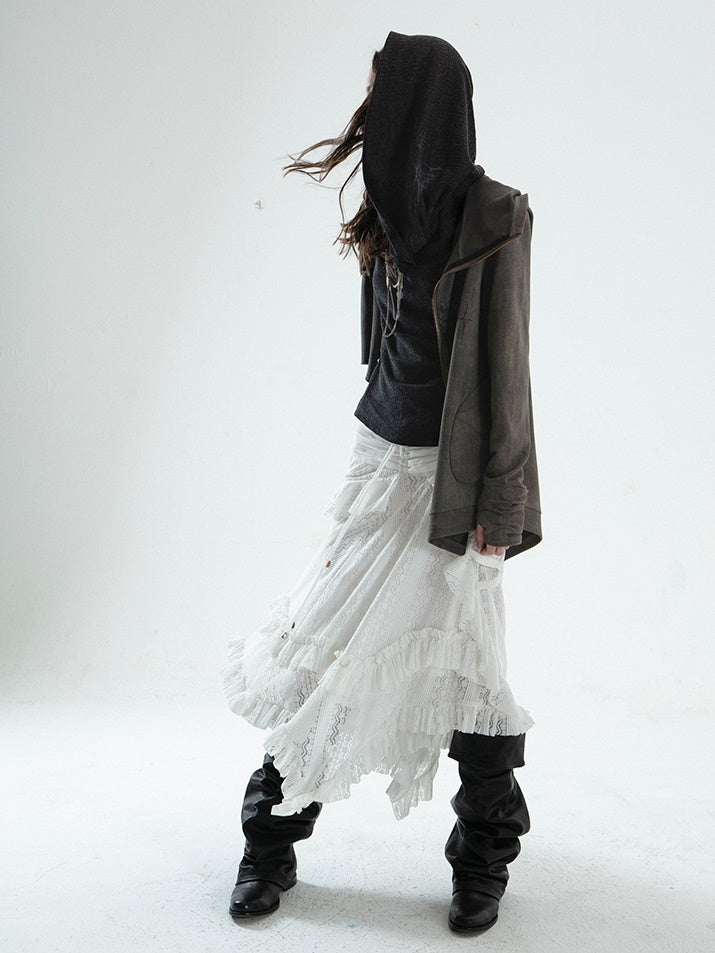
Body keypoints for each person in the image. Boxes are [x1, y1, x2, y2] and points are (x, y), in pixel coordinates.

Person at [222, 30, 543, 936]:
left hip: (453, 476)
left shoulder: (498, 213)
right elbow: (382, 340)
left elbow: (508, 367)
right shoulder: (384, 205)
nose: (368, 108)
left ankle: (482, 861)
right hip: (378, 460)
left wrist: (501, 498)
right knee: (325, 647)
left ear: (418, 102)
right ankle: (267, 845)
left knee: (470, 669)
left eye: (381, 90)